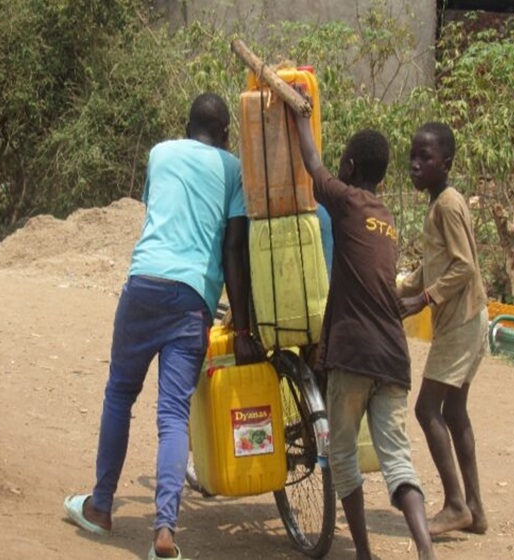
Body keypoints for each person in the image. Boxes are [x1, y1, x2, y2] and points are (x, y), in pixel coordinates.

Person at [63, 92, 262, 560]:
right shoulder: (233, 169)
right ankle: (164, 533)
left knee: (119, 394)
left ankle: (101, 507)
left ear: (185, 124)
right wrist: (245, 326)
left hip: (144, 284)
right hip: (192, 299)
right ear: (226, 134)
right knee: (173, 414)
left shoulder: (160, 153)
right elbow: (234, 248)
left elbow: (157, 212)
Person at [288, 104, 435, 560]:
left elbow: (313, 167)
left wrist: (300, 117)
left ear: (348, 168)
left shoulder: (347, 201)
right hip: (393, 358)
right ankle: (427, 551)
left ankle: (365, 556)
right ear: (384, 179)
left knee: (345, 460)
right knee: (398, 461)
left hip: (352, 355)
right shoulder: (385, 218)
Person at [397, 121, 489, 537]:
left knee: (426, 409)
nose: (415, 165)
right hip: (467, 319)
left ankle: (454, 504)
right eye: (413, 156)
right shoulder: (439, 203)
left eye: (425, 158)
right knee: (453, 410)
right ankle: (475, 508)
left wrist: (424, 298)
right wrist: (401, 285)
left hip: (461, 321)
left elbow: (464, 266)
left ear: (446, 163)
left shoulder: (448, 204)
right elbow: (435, 263)